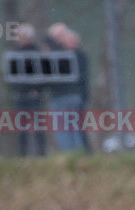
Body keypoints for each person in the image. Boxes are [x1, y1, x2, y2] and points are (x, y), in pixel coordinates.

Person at [45, 23, 88, 152]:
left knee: (68, 127)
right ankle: (73, 154)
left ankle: (72, 154)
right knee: (70, 127)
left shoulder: (67, 55)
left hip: (67, 95)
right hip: (67, 95)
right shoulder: (60, 53)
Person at [11, 23, 46, 157]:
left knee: (38, 127)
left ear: (30, 37)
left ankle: (42, 154)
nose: (20, 39)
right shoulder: (15, 54)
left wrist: (36, 89)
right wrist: (15, 90)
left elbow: (44, 75)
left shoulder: (37, 52)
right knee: (21, 129)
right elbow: (12, 76)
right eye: (19, 36)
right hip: (20, 96)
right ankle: (22, 155)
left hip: (34, 97)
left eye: (23, 36)